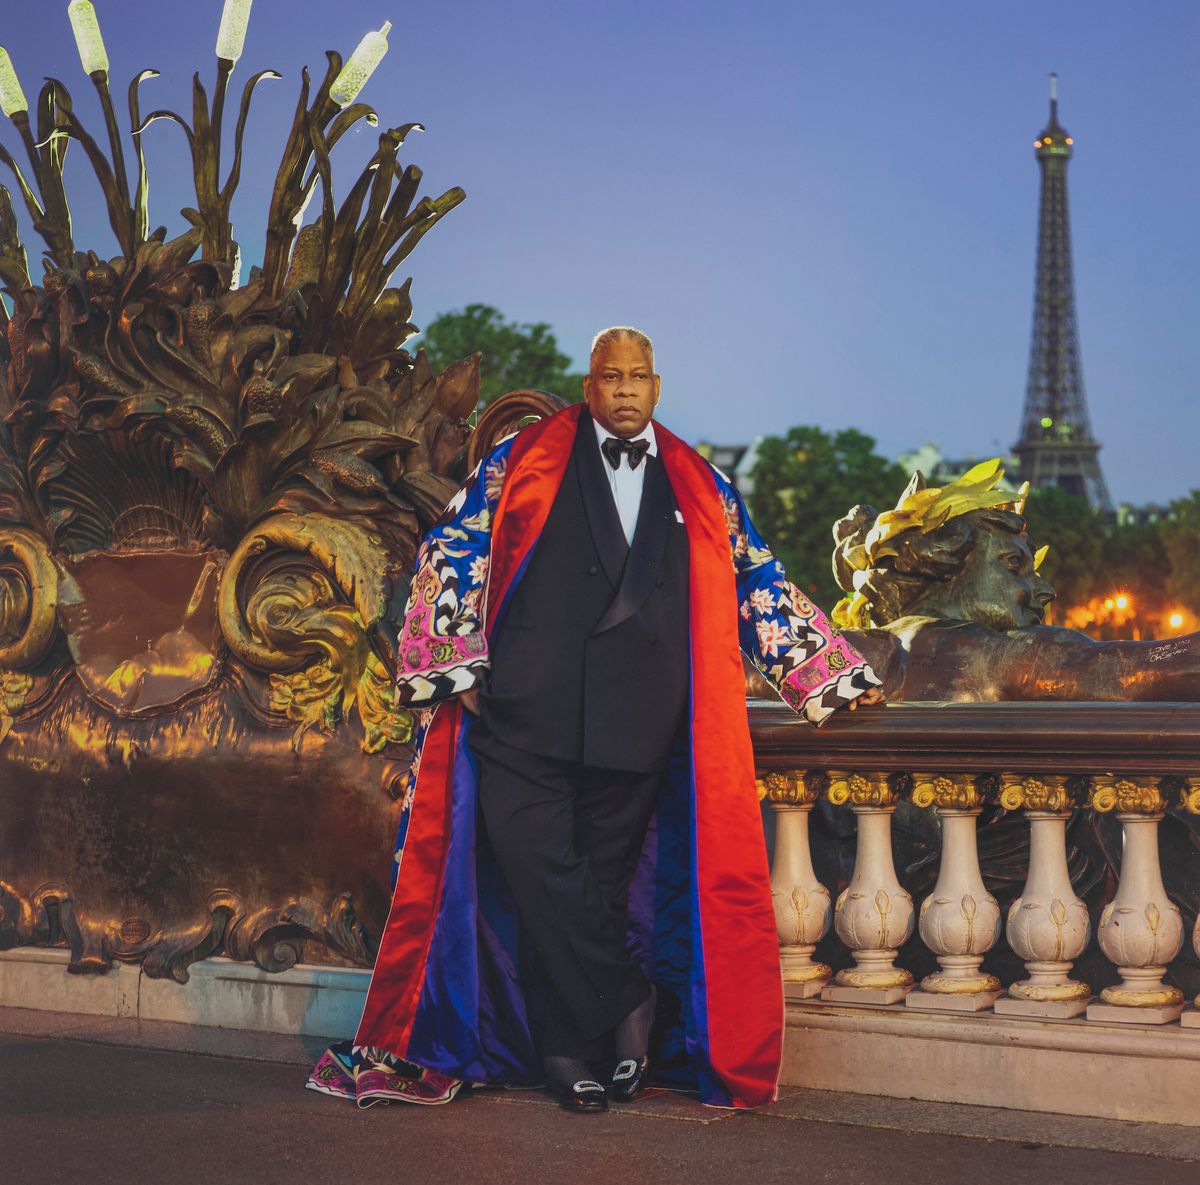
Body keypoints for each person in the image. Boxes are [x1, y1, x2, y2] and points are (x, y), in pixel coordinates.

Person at [307, 327, 883, 1113]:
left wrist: (835, 675)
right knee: (538, 867)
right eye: (609, 376)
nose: (623, 389)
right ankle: (628, 999)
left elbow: (757, 581)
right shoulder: (519, 459)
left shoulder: (702, 481)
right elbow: (454, 544)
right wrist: (452, 655)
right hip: (520, 710)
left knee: (596, 891)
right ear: (588, 384)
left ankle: (565, 1053)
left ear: (656, 386)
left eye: (637, 377)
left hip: (641, 723)